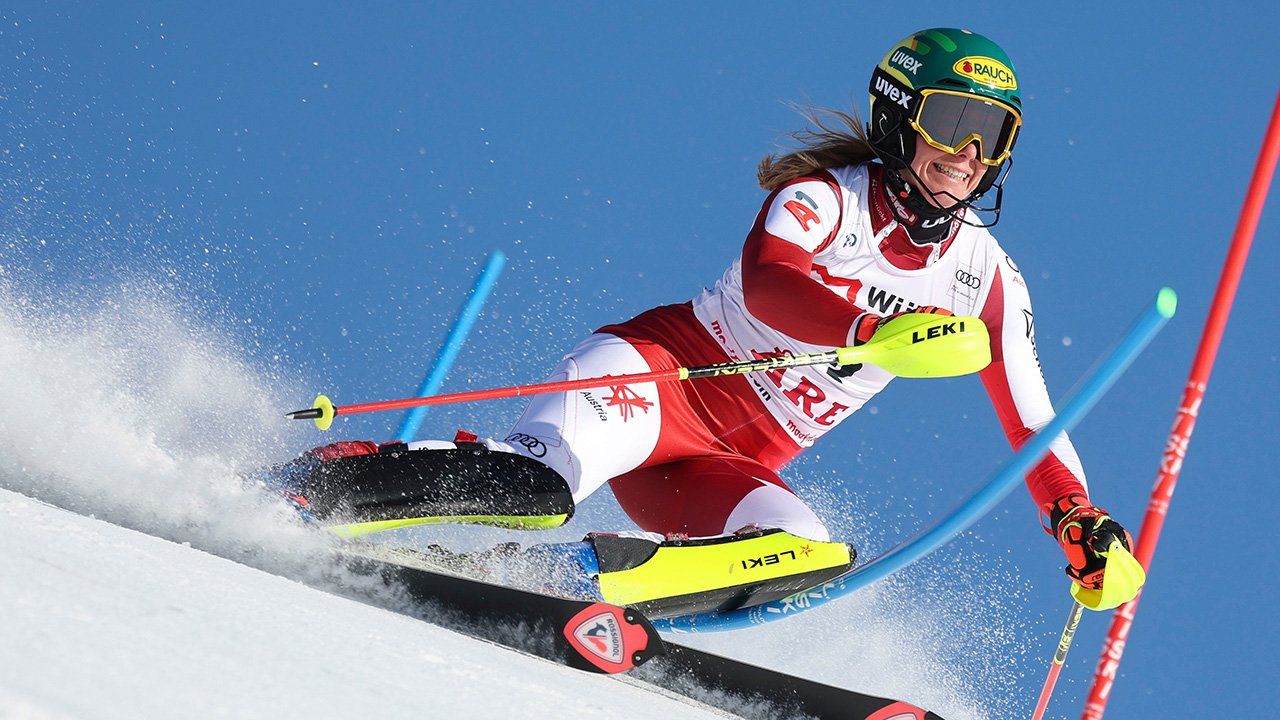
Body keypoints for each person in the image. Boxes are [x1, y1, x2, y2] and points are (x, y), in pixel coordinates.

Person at [275, 28, 1139, 614]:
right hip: (654, 379)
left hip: (724, 463)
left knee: (803, 554)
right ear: (897, 115)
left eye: (993, 134)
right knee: (535, 492)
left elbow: (1031, 410)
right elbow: (769, 287)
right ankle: (318, 483)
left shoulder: (986, 280)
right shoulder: (822, 201)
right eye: (952, 122)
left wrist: (1076, 519)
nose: (968, 153)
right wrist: (866, 334)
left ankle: (565, 584)